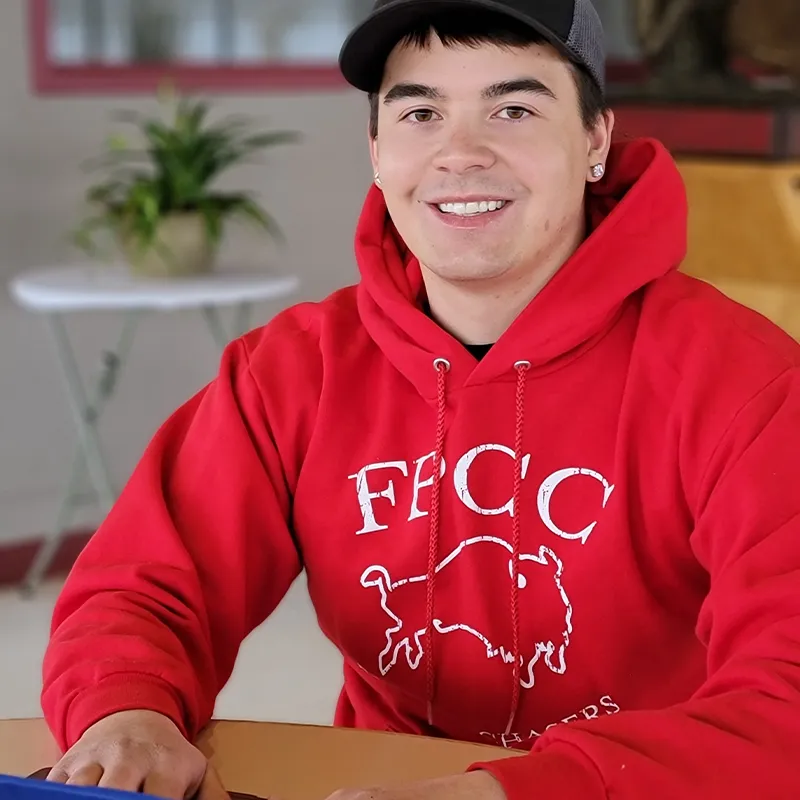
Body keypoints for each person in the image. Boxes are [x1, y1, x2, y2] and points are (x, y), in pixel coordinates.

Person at [39, 0, 800, 798]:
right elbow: (144, 586)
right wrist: (125, 712)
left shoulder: (747, 384)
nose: (460, 153)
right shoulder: (293, 371)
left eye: (513, 109)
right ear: (376, 149)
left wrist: (508, 792)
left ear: (594, 141)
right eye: (421, 112)